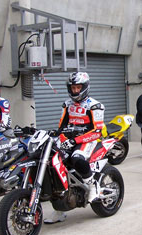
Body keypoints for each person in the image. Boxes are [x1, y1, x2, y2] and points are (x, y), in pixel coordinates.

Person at [45, 72, 105, 224]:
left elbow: (97, 131)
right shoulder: (67, 104)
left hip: (88, 139)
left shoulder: (95, 105)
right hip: (70, 139)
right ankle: (59, 210)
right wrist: (60, 139)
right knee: (53, 164)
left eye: (78, 87)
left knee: (76, 158)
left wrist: (75, 141)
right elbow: (61, 127)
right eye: (73, 88)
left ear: (85, 87)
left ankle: (93, 185)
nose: (75, 91)